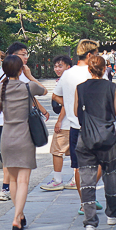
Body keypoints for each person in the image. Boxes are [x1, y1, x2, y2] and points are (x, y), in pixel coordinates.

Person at [74, 54, 116, 230]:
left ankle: (90, 222)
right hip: (107, 137)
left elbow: (76, 111)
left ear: (89, 69)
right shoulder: (112, 87)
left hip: (86, 138)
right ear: (105, 70)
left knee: (87, 180)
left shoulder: (80, 88)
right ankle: (112, 214)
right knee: (110, 175)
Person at [0, 54, 48, 230]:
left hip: (7, 137)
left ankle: (20, 214)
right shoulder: (28, 87)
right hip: (24, 136)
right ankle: (17, 218)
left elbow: (3, 84)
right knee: (24, 180)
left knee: (14, 181)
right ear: (20, 70)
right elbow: (44, 90)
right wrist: (29, 75)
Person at [52, 40, 103, 212]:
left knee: (79, 167)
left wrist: (67, 103)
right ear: (89, 55)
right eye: (96, 54)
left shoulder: (67, 74)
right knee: (102, 161)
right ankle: (90, 192)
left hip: (75, 126)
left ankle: (84, 202)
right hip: (95, 125)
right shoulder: (95, 71)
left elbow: (55, 95)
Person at [40, 55, 74, 191]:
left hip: (66, 123)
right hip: (76, 122)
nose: (57, 68)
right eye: (55, 66)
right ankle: (75, 179)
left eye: (60, 66)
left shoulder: (65, 80)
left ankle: (57, 180)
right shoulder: (72, 79)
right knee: (74, 151)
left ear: (68, 67)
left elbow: (66, 102)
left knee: (56, 151)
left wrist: (59, 121)